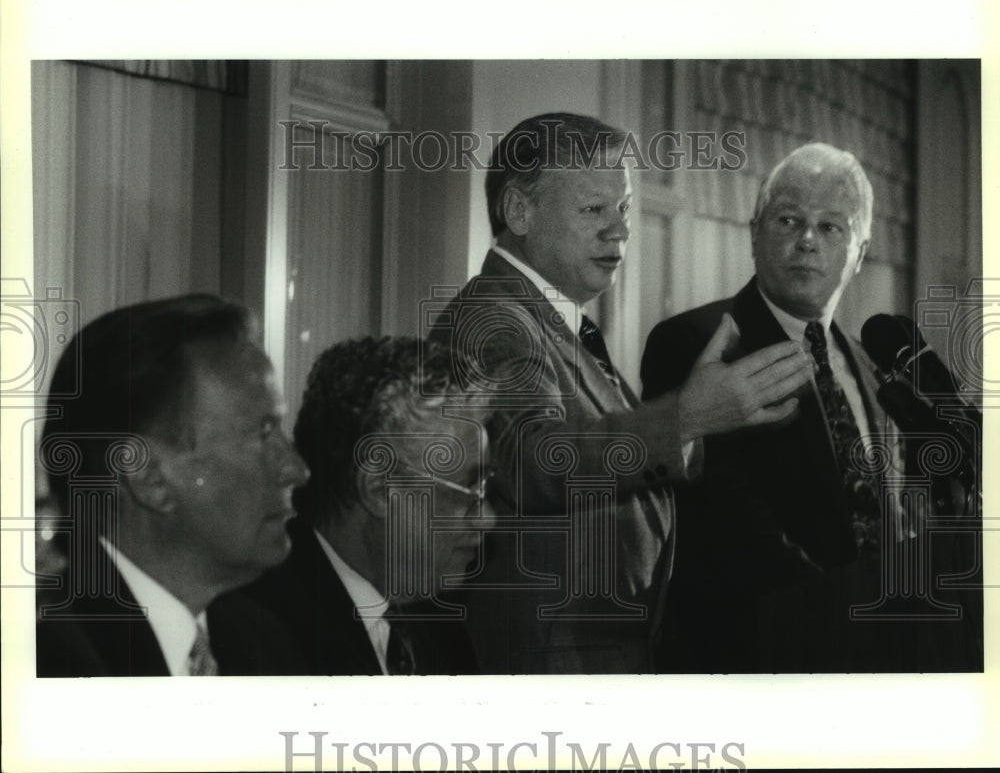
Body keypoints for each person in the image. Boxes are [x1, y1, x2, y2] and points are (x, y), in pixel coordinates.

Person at [428, 112, 813, 673]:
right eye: (593, 210)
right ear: (519, 211)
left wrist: (707, 419)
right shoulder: (494, 319)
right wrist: (683, 418)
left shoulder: (557, 319)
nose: (621, 230)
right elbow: (543, 461)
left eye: (625, 208)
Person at [642, 142, 981, 672]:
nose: (806, 240)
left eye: (830, 227)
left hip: (876, 658)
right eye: (789, 220)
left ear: (861, 252)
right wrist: (848, 610)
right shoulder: (694, 342)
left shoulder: (875, 365)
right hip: (751, 657)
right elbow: (718, 514)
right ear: (754, 232)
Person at [36, 294, 309, 676]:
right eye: (263, 434)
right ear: (149, 478)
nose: (296, 470)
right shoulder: (43, 661)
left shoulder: (260, 643)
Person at [238, 336, 494, 675]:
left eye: (486, 483)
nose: (487, 519)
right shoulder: (256, 635)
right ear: (379, 490)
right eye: (467, 488)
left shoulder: (438, 624)